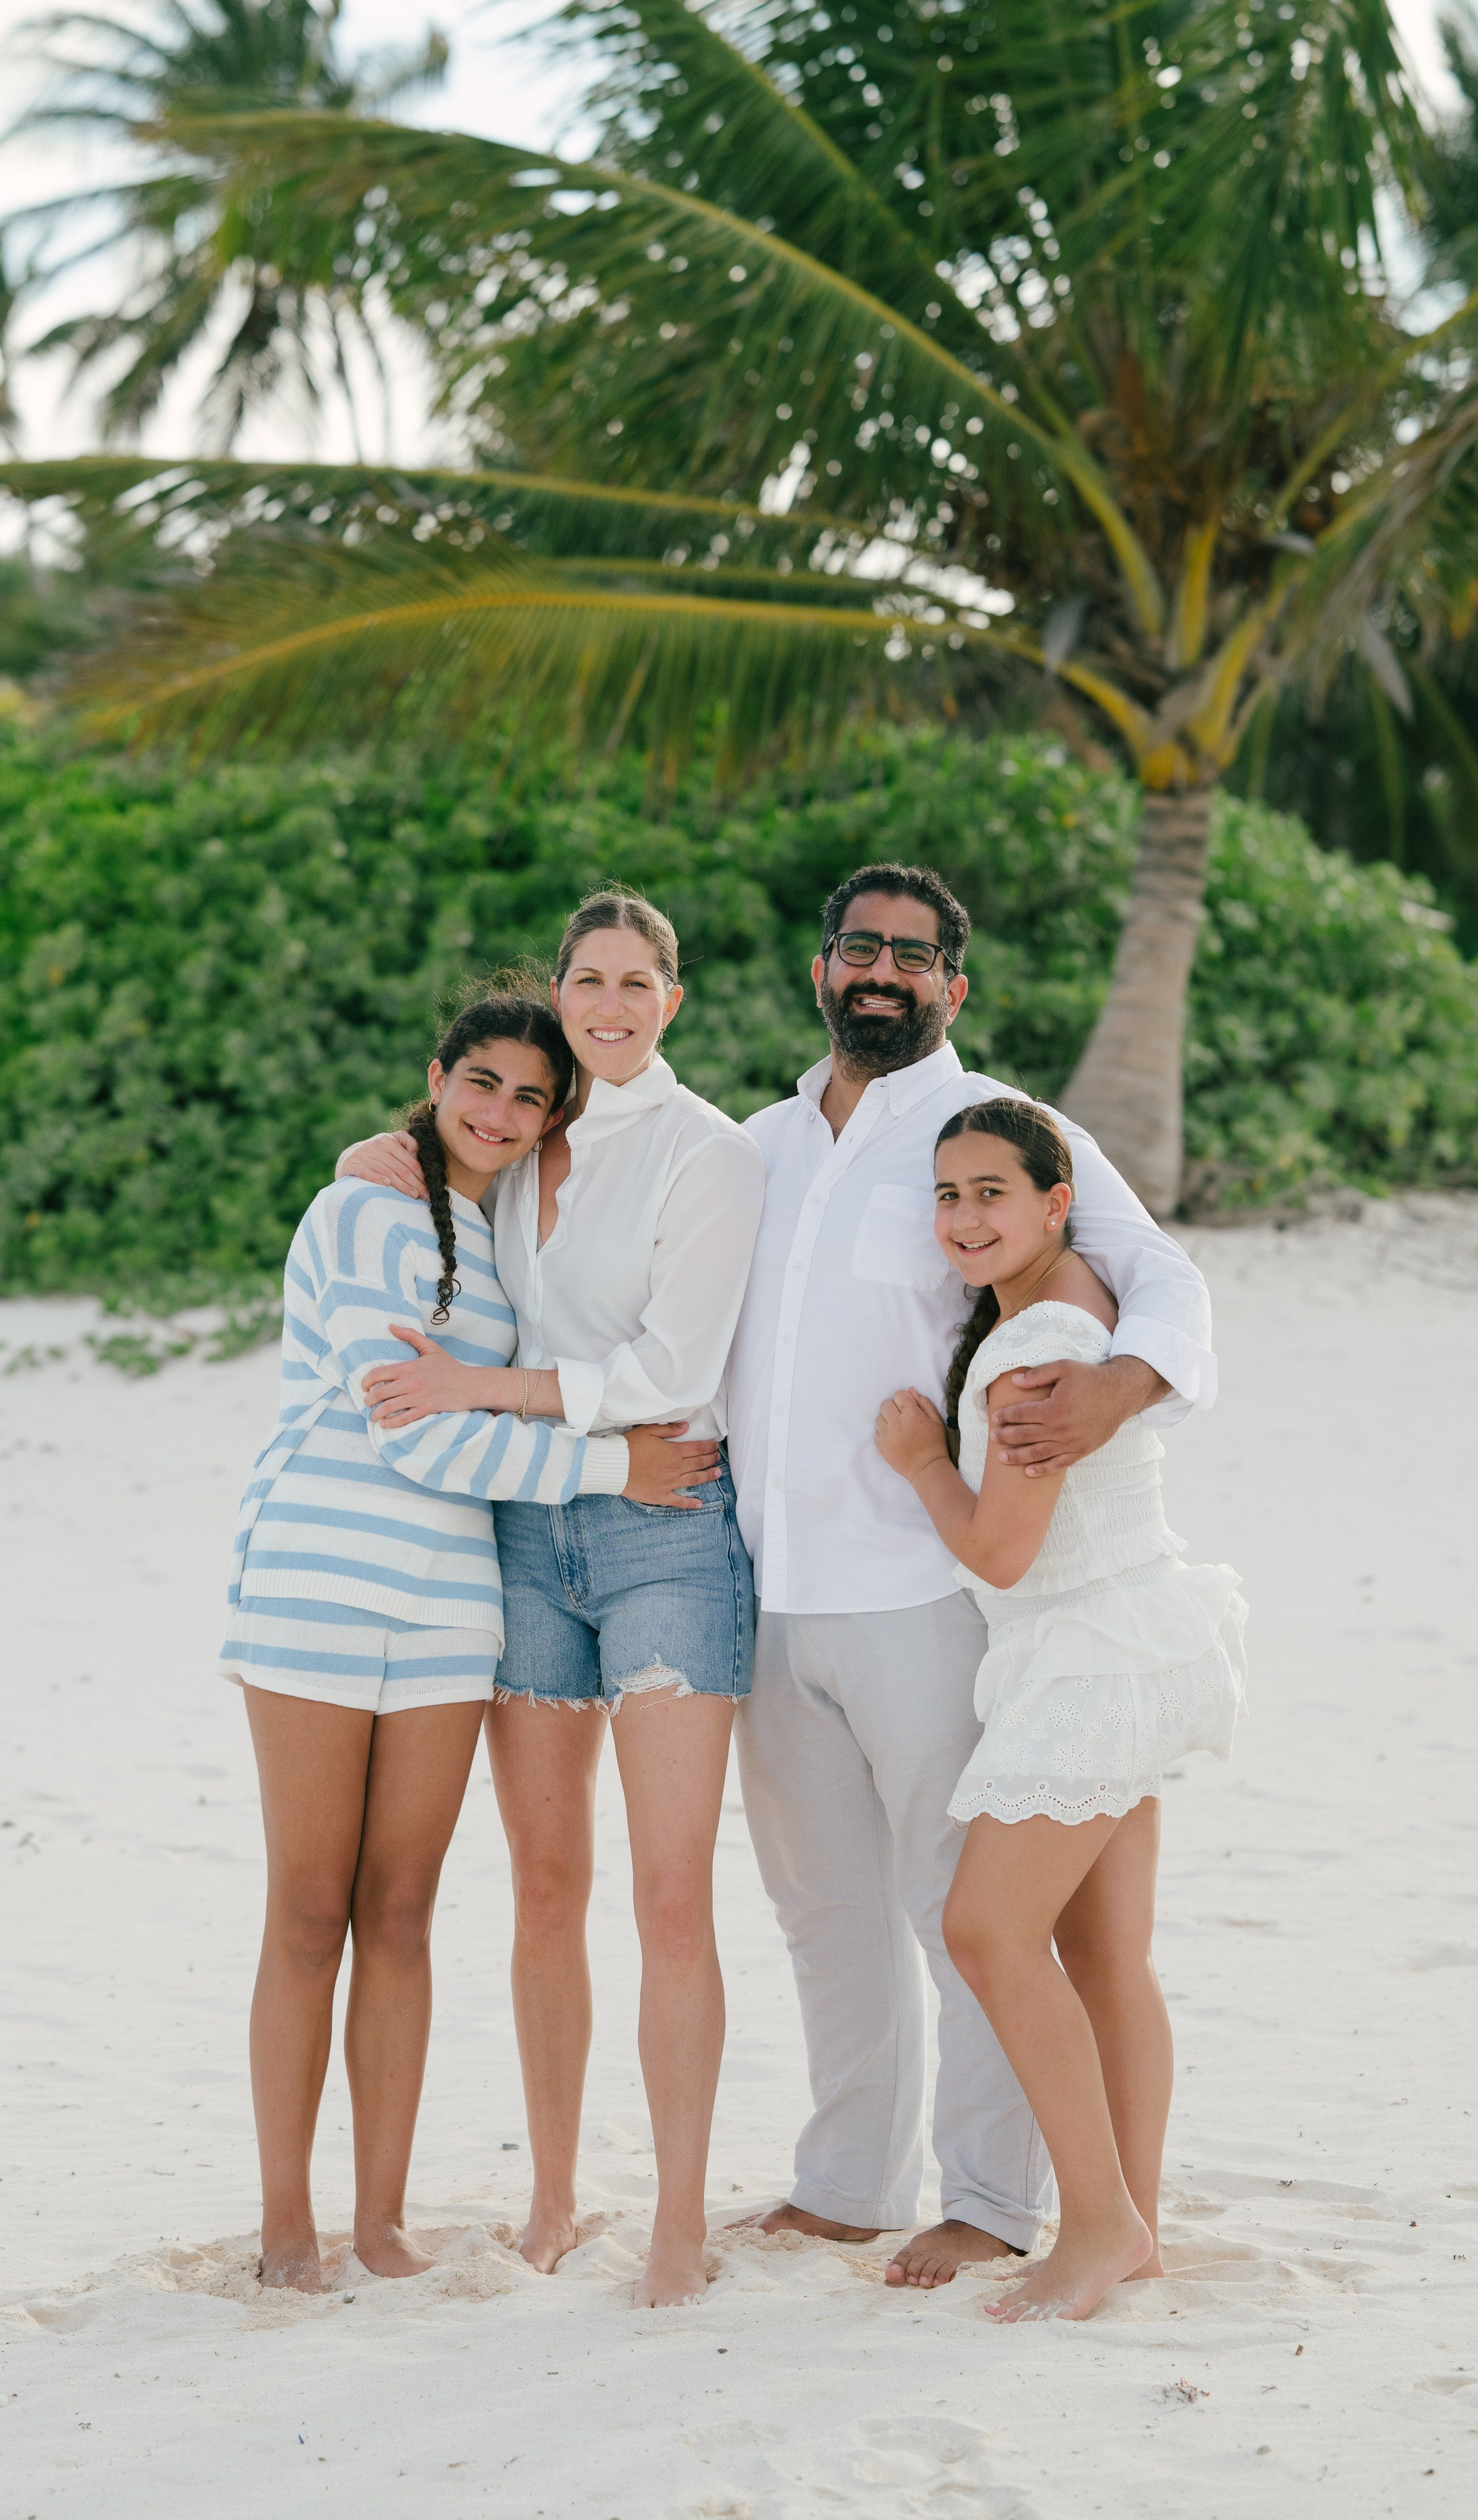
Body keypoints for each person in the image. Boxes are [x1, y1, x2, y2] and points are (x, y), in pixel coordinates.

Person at [727, 862, 1218, 2290]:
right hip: (765, 1585)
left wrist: (1123, 1385)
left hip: (930, 1594)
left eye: (912, 953)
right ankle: (840, 2184)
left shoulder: (997, 1126)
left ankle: (996, 2200)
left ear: (954, 981)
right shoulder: (753, 1145)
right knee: (823, 1912)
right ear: (823, 967)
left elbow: (1153, 1271)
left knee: (962, 1912)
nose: (880, 969)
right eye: (857, 946)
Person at [223, 987, 721, 2293]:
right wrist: (618, 1466)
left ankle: (378, 2222)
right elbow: (412, 1422)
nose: (501, 1113)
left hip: (452, 1599)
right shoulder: (357, 1209)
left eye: (529, 1097)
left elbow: (506, 1386)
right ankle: (288, 2226)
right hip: (320, 1587)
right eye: (481, 1083)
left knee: (400, 1911)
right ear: (437, 1076)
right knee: (305, 1910)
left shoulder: (503, 1226)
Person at [338, 890, 765, 2305]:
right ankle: (553, 2196)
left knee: (665, 1892)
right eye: (588, 978)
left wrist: (479, 1388)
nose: (609, 1002)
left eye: (636, 981)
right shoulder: (521, 1142)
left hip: (664, 1527)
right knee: (538, 1883)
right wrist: (374, 1154)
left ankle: (677, 2219)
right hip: (527, 1535)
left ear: (671, 1001)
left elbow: (666, 1370)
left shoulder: (707, 1156)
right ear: (563, 990)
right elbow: (417, 1169)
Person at [874, 1097, 1245, 2320]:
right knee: (1102, 1954)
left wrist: (923, 1458)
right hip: (1126, 1634)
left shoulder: (1035, 1342)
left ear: (1054, 1199)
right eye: (947, 1194)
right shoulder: (1079, 1298)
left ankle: (1093, 2223)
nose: (965, 1216)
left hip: (1089, 1652)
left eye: (992, 1191)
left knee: (986, 1929)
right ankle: (1130, 2221)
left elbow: (1002, 1554)